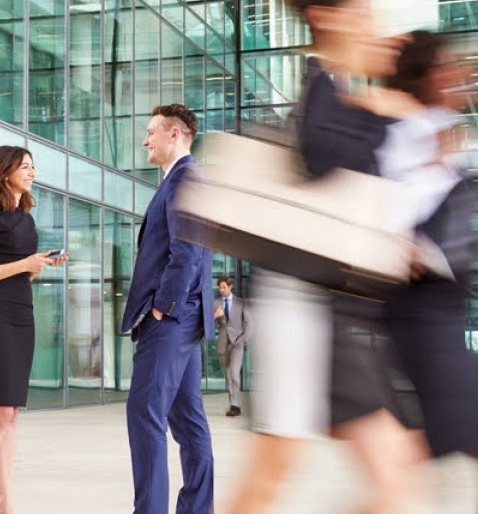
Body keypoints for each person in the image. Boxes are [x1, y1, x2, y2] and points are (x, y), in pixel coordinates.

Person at [226, 2, 424, 513]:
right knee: (280, 469)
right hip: (303, 304)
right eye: (360, 13)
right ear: (326, 15)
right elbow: (320, 161)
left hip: (329, 308)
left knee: (387, 467)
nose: (371, 25)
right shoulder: (322, 86)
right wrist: (378, 111)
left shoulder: (338, 90)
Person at [378, 30, 478, 514]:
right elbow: (389, 219)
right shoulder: (405, 132)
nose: (466, 73)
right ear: (429, 75)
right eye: (452, 65)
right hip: (420, 317)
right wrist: (437, 164)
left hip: (443, 319)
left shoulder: (449, 131)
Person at [0, 145, 69, 514]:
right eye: (25, 166)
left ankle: (4, 503)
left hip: (23, 313)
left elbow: (23, 272)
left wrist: (39, 265)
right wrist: (23, 262)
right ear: (3, 170)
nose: (32, 172)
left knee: (12, 413)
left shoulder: (27, 219)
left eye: (33, 166)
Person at [120, 103, 215, 514]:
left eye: (151, 132)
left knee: (144, 415)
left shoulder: (184, 178)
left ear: (174, 135)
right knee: (188, 422)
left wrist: (162, 309)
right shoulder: (179, 180)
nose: (145, 140)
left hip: (171, 321)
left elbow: (187, 251)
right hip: (185, 321)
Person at [213, 277, 249, 417]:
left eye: (223, 287)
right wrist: (216, 315)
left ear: (230, 286)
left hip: (237, 343)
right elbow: (209, 324)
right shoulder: (216, 303)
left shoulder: (241, 302)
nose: (221, 290)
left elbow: (249, 323)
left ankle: (236, 405)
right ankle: (233, 406)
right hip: (223, 343)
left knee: (234, 373)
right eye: (219, 288)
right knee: (229, 376)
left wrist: (243, 339)